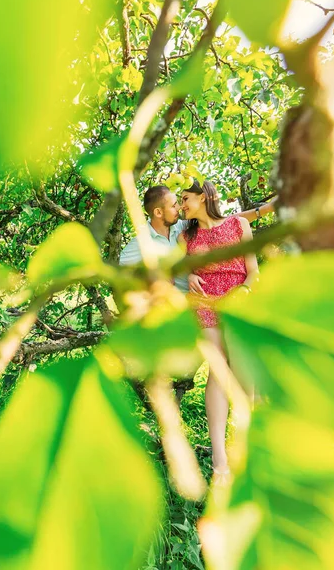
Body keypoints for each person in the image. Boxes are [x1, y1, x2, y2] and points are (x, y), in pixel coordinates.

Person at [179, 179, 259, 481]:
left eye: (186, 198)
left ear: (204, 197)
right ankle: (219, 459)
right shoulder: (186, 235)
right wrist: (188, 275)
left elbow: (252, 272)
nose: (183, 205)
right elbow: (174, 266)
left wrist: (245, 293)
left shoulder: (239, 225)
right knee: (218, 365)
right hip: (204, 304)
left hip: (237, 301)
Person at [120, 184, 274, 294]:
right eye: (174, 206)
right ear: (159, 212)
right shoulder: (139, 245)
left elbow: (225, 221)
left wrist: (267, 209)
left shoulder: (182, 227)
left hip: (198, 299)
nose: (179, 207)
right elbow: (120, 278)